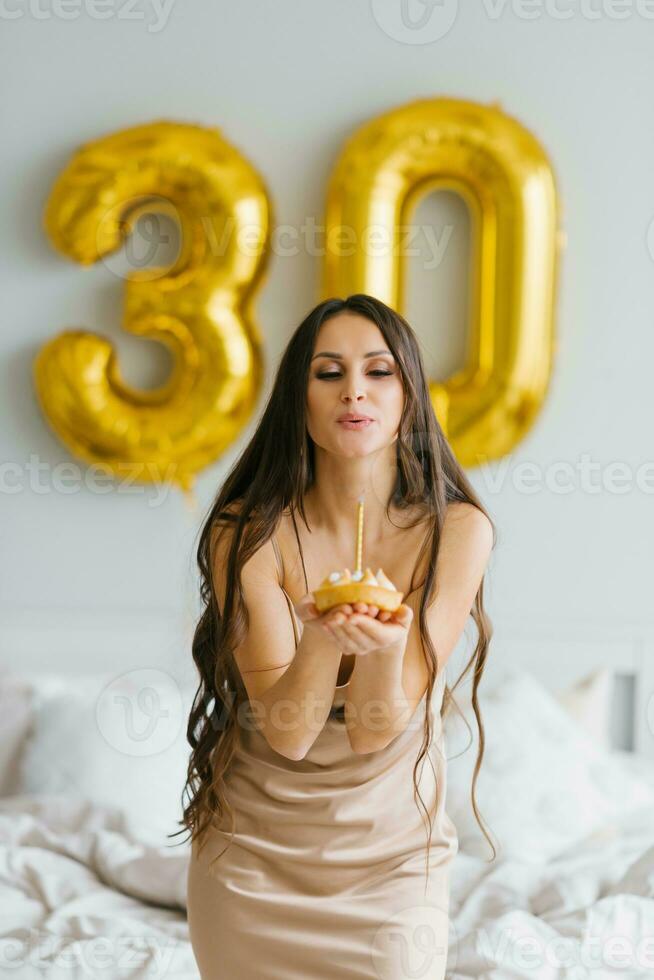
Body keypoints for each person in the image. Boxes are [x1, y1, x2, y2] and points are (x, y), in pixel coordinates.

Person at [181, 294, 496, 979]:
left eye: (379, 371)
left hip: (389, 866)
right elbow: (289, 733)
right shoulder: (249, 533)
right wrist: (324, 638)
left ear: (409, 393)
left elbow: (375, 727)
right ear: (299, 395)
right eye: (328, 372)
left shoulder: (457, 532)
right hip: (254, 866)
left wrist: (382, 647)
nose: (354, 389)